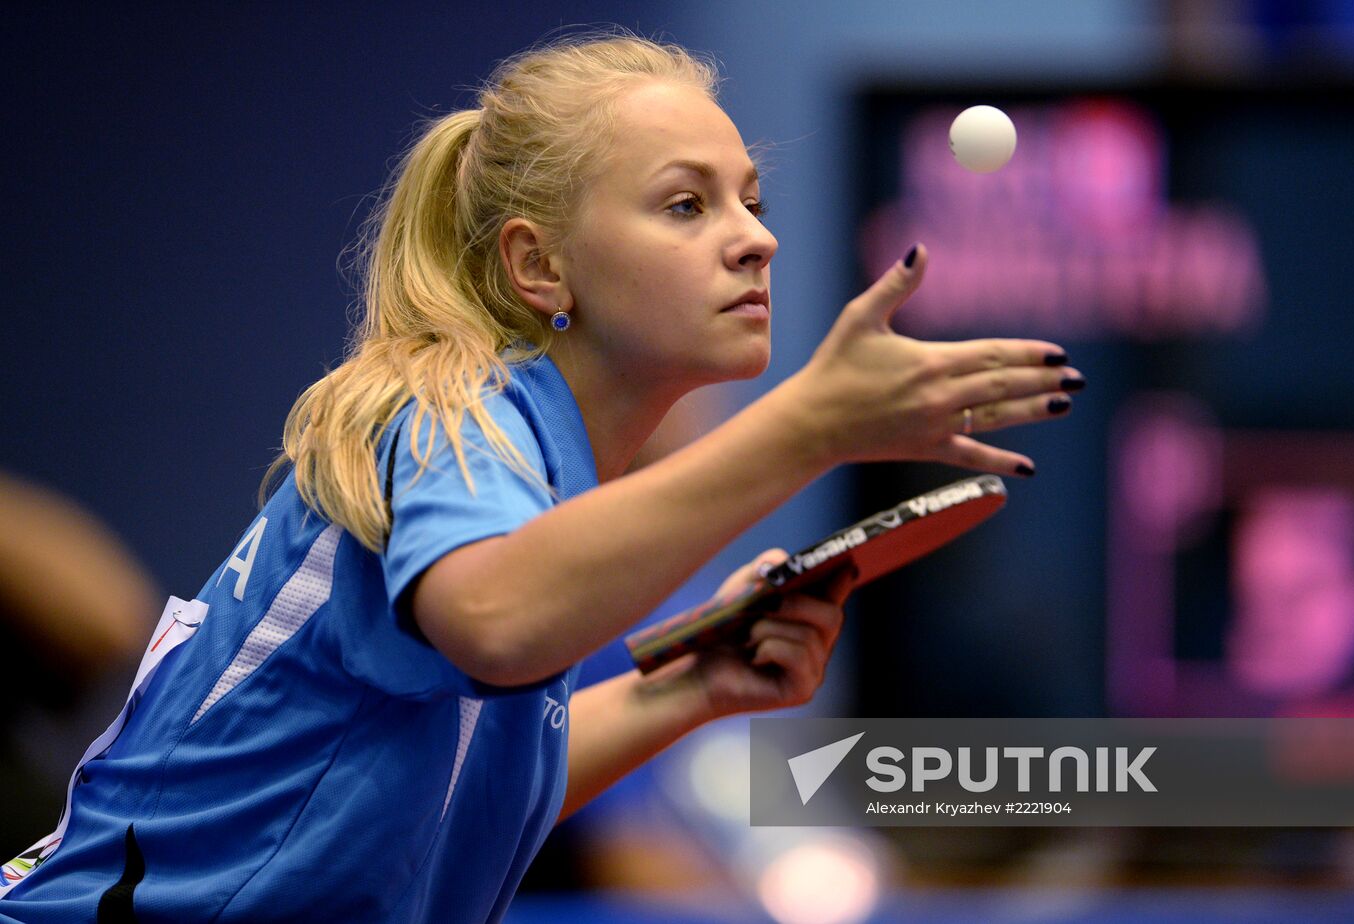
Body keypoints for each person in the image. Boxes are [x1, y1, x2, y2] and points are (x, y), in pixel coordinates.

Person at [0, 30, 1081, 924]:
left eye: (749, 199)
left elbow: (455, 787)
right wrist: (810, 426)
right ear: (537, 265)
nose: (755, 239)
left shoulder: (541, 486)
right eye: (685, 205)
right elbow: (498, 622)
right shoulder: (449, 413)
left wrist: (694, 685)